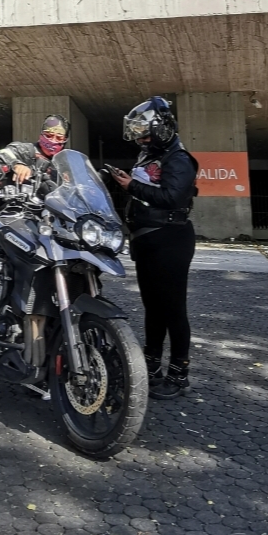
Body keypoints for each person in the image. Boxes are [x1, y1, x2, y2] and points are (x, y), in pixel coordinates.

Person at [104, 97, 198, 400]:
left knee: (173, 310)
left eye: (145, 133)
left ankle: (179, 373)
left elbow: (172, 197)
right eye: (138, 135)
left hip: (170, 239)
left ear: (162, 128)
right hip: (146, 239)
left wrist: (131, 186)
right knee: (153, 309)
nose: (141, 140)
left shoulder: (179, 159)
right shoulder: (149, 156)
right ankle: (152, 364)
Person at [0, 115, 71, 188]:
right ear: (41, 135)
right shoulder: (27, 150)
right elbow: (3, 153)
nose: (52, 140)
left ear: (65, 140)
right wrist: (16, 164)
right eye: (48, 135)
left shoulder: (64, 164)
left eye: (59, 138)